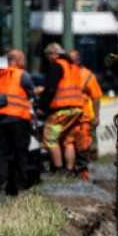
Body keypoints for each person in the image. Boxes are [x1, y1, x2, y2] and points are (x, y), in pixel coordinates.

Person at [0, 48, 36, 196]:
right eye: (22, 59)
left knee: (3, 153)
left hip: (0, 119)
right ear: (17, 60)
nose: (24, 62)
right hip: (18, 119)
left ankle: (2, 184)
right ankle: (19, 185)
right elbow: (31, 91)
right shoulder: (22, 75)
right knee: (20, 153)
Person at [38, 42, 86, 175]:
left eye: (48, 55)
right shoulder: (73, 66)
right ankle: (69, 169)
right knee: (68, 140)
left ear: (53, 54)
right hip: (76, 109)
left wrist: (43, 106)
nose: (48, 59)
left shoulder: (57, 65)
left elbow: (51, 88)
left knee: (50, 137)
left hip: (62, 109)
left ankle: (59, 169)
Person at [69, 49, 102, 180]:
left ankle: (83, 174)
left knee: (83, 146)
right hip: (67, 118)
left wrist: (96, 116)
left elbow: (96, 97)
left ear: (78, 61)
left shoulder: (87, 76)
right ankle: (71, 172)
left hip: (83, 118)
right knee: (69, 145)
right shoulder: (65, 74)